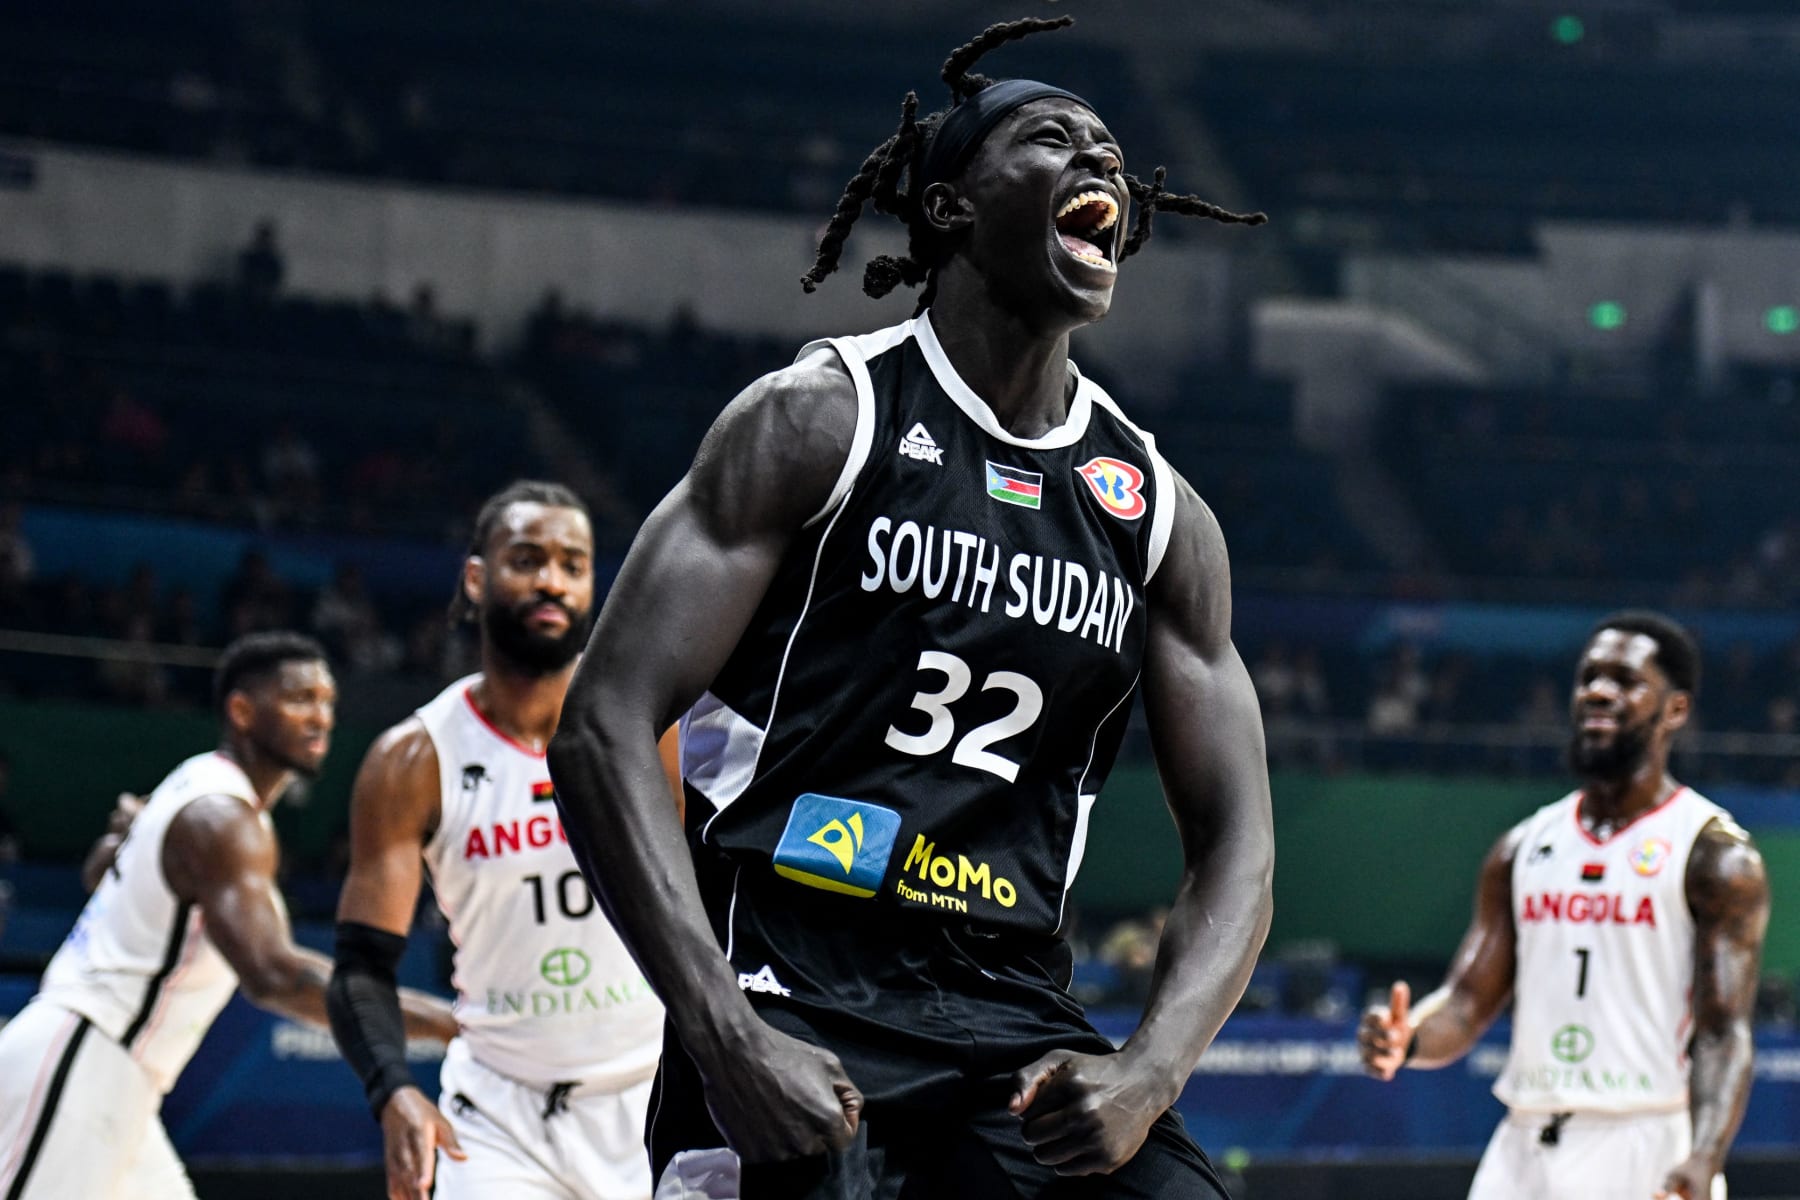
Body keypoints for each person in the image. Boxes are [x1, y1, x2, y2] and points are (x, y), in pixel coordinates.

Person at [548, 17, 1274, 1199]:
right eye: (1053, 138)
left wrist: (1151, 1071)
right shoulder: (819, 420)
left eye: (1109, 149)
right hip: (789, 986)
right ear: (950, 207)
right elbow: (601, 723)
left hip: (1013, 1017)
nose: (1100, 160)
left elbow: (1239, 839)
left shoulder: (1157, 512)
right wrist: (723, 1033)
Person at [0, 632, 456, 1200]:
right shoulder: (222, 817)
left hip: (122, 1078)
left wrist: (128, 840)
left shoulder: (197, 784)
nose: (321, 717)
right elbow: (274, 977)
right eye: (300, 699)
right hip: (85, 1059)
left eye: (327, 702)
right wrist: (445, 1020)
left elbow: (99, 872)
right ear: (241, 711)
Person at [328, 481, 678, 1200]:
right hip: (500, 1115)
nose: (552, 580)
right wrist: (392, 1089)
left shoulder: (653, 732)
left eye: (572, 564)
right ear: (475, 578)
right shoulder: (413, 761)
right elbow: (361, 966)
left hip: (656, 1092)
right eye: (527, 559)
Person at [1358, 612, 1770, 1200]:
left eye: (1625, 680)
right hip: (1524, 1142)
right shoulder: (1523, 846)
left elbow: (1724, 1030)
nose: (1598, 691)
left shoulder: (1715, 856)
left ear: (1675, 709)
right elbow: (1468, 1002)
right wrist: (1410, 1039)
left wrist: (1705, 1156)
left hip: (1647, 1139)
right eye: (1589, 677)